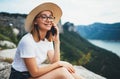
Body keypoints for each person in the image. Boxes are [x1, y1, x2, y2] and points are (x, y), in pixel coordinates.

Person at [9, 2, 82, 79]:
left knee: (67, 70)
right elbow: (35, 72)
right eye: (44, 17)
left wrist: (57, 42)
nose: (48, 20)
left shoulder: (47, 40)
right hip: (21, 76)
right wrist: (60, 64)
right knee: (62, 71)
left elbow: (54, 62)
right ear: (35, 21)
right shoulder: (27, 41)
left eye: (50, 17)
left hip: (31, 75)